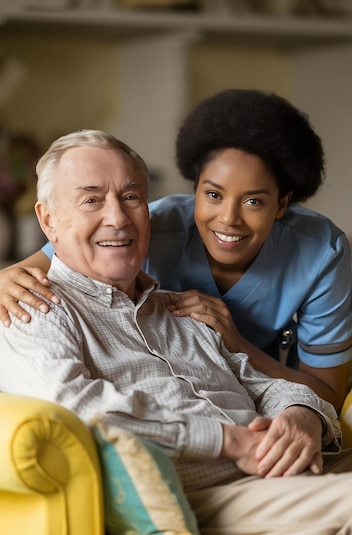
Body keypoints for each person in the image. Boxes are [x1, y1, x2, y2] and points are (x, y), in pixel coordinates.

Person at [0, 129, 352, 535]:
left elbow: (266, 383)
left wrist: (300, 417)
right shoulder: (32, 310)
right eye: (91, 200)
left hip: (285, 471)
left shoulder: (182, 309)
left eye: (131, 197)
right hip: (216, 490)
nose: (117, 217)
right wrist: (230, 442)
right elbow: (78, 410)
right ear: (48, 220)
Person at [0, 91, 351, 412]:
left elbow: (327, 395)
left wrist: (236, 342)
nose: (229, 219)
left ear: (282, 203)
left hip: (263, 397)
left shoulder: (321, 252)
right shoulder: (146, 223)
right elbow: (60, 248)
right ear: (194, 189)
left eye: (254, 200)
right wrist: (5, 279)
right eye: (213, 194)